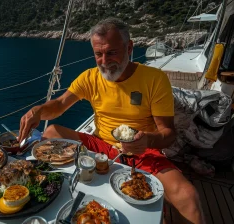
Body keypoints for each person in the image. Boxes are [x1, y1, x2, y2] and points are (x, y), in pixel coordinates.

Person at [19, 18, 205, 224]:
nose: (104, 61)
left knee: (188, 197)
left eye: (111, 52)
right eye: (98, 54)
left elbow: (168, 133)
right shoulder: (90, 78)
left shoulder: (154, 79)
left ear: (130, 47)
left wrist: (147, 141)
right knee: (52, 131)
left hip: (142, 150)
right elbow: (60, 104)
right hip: (101, 146)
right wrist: (37, 111)